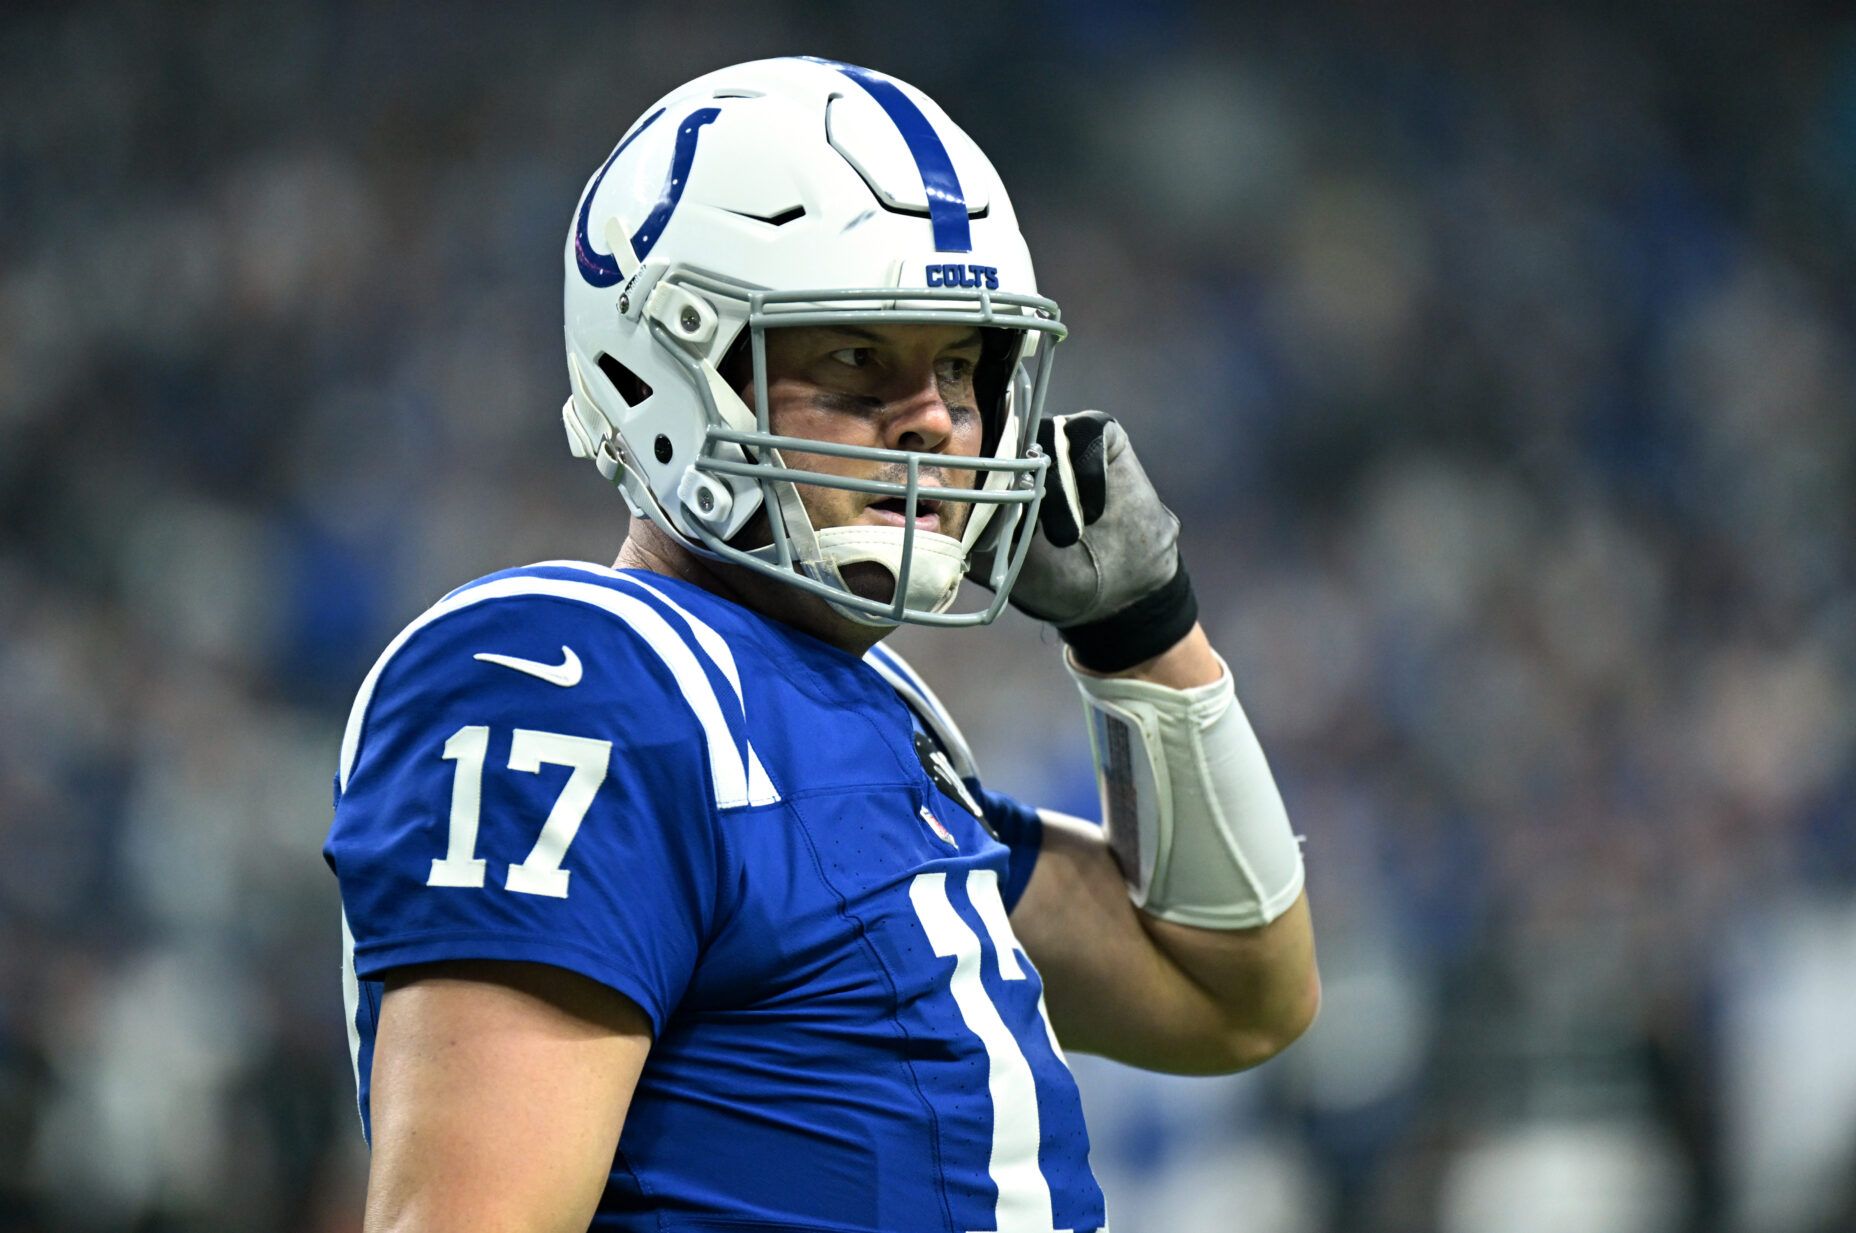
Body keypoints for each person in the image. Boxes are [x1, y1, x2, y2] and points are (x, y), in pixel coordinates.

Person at [326, 56, 1319, 1233]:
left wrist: (1143, 636)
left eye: (959, 365)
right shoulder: (572, 681)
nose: (939, 421)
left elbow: (1233, 998)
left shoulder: (854, 708)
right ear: (665, 375)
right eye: (858, 359)